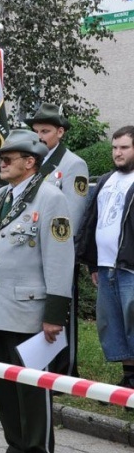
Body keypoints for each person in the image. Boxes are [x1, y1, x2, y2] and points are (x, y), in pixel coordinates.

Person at [0, 129, 74, 453]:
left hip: (29, 309)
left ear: (30, 162)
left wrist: (54, 314)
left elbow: (61, 258)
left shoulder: (50, 198)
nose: (1, 163)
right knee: (3, 381)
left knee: (32, 385)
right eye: (1, 158)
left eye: (8, 159)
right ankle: (15, 446)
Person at [25, 102, 89, 378]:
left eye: (46, 131)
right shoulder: (32, 161)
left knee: (61, 309)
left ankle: (65, 367)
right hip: (31, 249)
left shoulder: (73, 164)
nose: (40, 136)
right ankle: (41, 362)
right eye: (36, 131)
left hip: (58, 249)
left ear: (60, 132)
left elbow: (73, 215)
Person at [77, 125, 134, 392]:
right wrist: (91, 262)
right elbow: (92, 221)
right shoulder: (105, 180)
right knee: (113, 325)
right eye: (115, 147)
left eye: (124, 147)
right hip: (105, 265)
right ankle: (129, 377)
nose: (117, 153)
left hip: (129, 267)